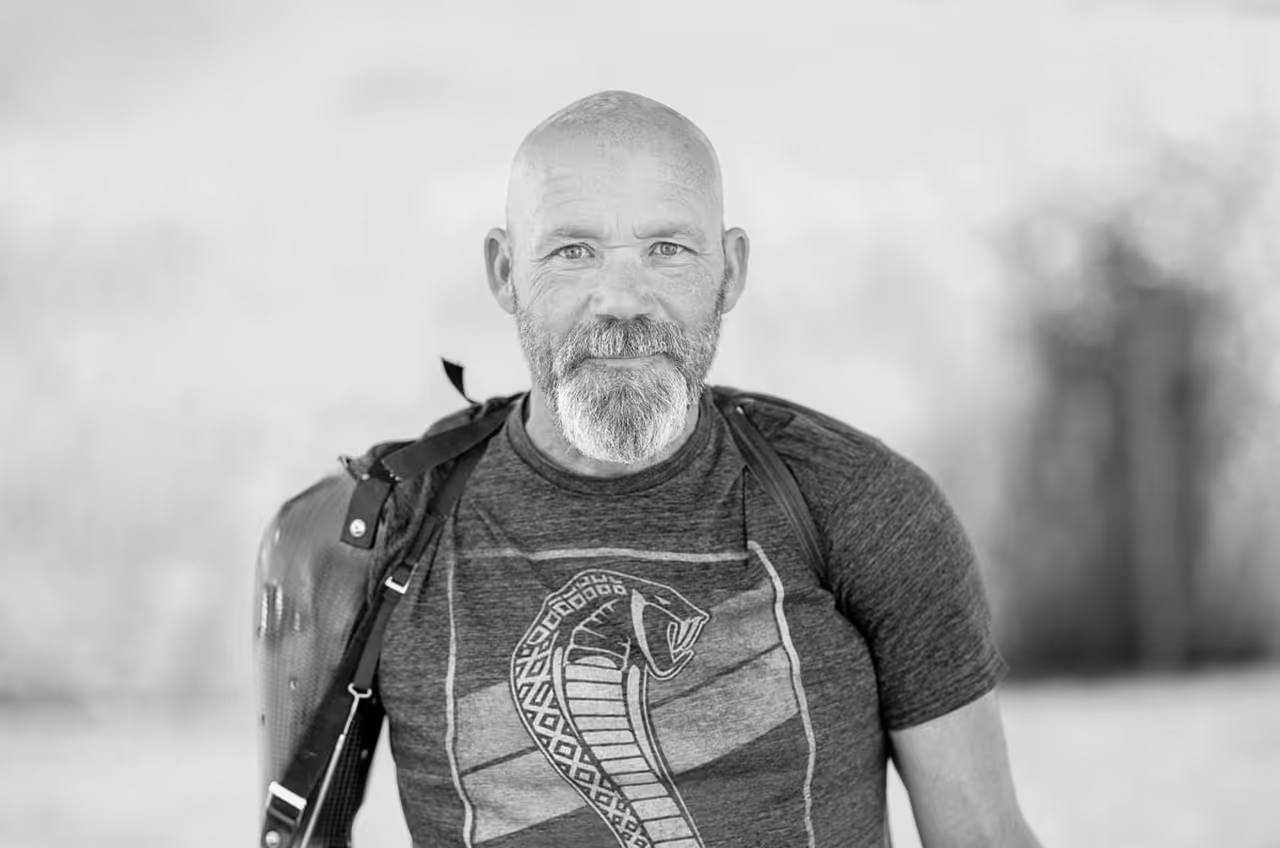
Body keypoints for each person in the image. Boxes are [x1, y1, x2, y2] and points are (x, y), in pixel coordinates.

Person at [256, 90, 1042, 848]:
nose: (621, 301)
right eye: (573, 251)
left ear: (729, 270)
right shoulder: (368, 534)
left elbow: (982, 836)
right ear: (504, 272)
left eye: (666, 248)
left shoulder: (862, 506)